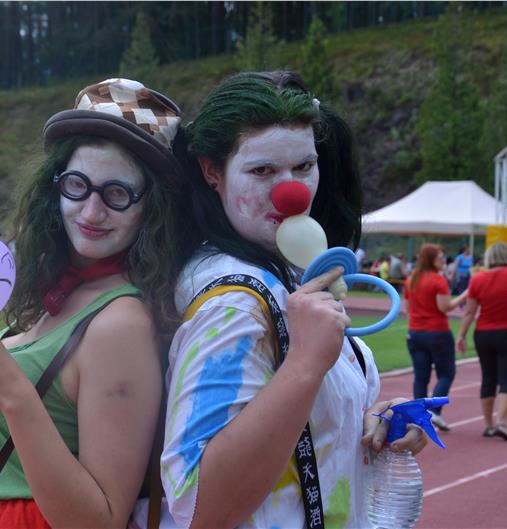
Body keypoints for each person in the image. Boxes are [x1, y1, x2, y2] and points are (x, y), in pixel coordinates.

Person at [159, 71, 427, 529]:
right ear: (211, 172)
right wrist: (305, 365)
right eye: (262, 171)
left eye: (303, 167)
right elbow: (200, 506)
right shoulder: (233, 306)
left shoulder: (285, 275)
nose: (293, 192)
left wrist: (372, 420)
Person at [0, 78, 190, 529]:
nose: (90, 212)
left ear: (152, 208)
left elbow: (101, 520)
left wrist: (12, 391)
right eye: (77, 185)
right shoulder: (58, 293)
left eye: (117, 193)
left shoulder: (121, 322)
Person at [456, 242, 507, 441]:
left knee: (488, 378)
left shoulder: (477, 278)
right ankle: (501, 421)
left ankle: (488, 424)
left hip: (484, 334)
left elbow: (470, 312)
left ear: (488, 257)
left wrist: (461, 335)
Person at [403, 244, 468, 432]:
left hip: (415, 332)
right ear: (431, 260)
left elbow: (408, 309)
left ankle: (419, 416)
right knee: (446, 374)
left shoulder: (411, 280)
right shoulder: (438, 280)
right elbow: (444, 307)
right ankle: (435, 412)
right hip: (437, 332)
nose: (443, 260)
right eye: (440, 257)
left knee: (420, 377)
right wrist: (464, 295)